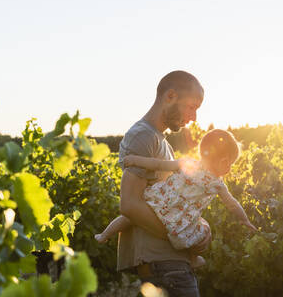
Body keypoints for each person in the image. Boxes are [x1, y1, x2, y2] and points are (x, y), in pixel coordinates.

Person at [95, 129, 257, 268]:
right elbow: (233, 205)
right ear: (224, 162)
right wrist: (244, 220)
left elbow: (157, 164)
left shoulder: (187, 163)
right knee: (200, 233)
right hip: (179, 218)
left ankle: (104, 235)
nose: (230, 169)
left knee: (129, 217)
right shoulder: (217, 184)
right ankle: (193, 259)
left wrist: (135, 160)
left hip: (160, 200)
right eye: (231, 164)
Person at [115, 70, 206, 297]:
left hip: (170, 266)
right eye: (191, 106)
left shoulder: (158, 140)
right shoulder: (142, 137)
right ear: (171, 96)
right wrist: (184, 237)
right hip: (164, 267)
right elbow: (129, 205)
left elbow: (167, 202)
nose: (193, 117)